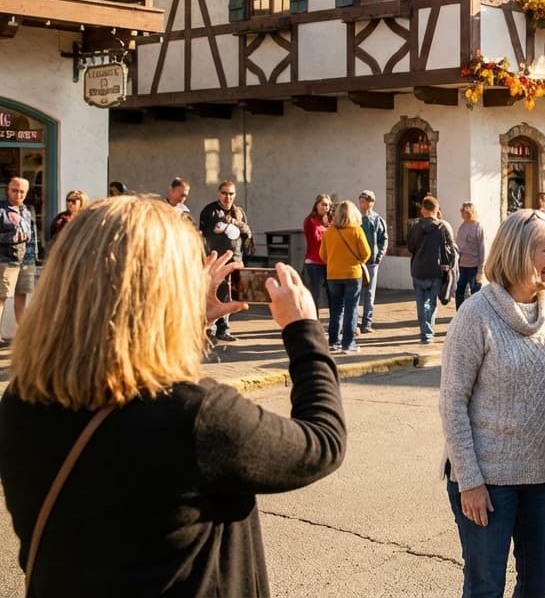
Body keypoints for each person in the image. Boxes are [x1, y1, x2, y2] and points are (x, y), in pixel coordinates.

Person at [0, 196, 345, 595]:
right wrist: (303, 330)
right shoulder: (195, 418)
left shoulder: (21, 402)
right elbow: (322, 443)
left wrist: (186, 318)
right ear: (166, 291)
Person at [439, 208, 545, 598]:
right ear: (517, 251)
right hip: (487, 480)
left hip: (544, 477)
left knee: (539, 586)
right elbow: (452, 403)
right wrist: (470, 481)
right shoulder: (475, 314)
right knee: (485, 588)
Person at [198, 180, 252, 342]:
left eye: (231, 193)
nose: (227, 197)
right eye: (224, 193)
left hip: (235, 259)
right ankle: (210, 329)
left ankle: (224, 329)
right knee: (213, 294)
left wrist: (242, 227)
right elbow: (203, 233)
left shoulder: (239, 212)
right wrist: (216, 229)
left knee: (229, 295)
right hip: (216, 260)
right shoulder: (210, 211)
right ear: (218, 193)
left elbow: (246, 234)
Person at [320, 200, 371, 353]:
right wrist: (356, 261)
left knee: (336, 309)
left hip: (333, 274)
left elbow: (322, 255)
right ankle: (348, 343)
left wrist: (334, 261)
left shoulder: (328, 232)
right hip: (352, 274)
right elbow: (366, 253)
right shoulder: (356, 230)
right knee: (351, 308)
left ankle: (333, 341)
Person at [407, 195, 455, 345]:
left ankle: (425, 333)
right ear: (436, 210)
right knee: (431, 303)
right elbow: (450, 250)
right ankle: (428, 332)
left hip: (418, 269)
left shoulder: (415, 227)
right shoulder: (442, 227)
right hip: (436, 270)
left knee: (421, 303)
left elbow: (410, 247)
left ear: (423, 210)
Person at [0, 178, 37, 342]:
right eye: (15, 190)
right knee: (1, 298)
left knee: (21, 297)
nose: (18, 194)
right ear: (8, 190)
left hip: (27, 261)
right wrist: (10, 237)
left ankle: (23, 338)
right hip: (6, 260)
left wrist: (34, 257)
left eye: (22, 191)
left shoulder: (28, 210)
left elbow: (33, 237)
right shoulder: (1, 209)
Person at [357, 190, 388, 333]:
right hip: (357, 262)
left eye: (367, 200)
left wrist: (379, 256)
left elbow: (383, 239)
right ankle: (353, 323)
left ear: (372, 202)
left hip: (372, 262)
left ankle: (367, 323)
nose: (364, 203)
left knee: (370, 294)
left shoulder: (377, 219)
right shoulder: (355, 219)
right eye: (362, 200)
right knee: (356, 293)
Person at [302, 194, 333, 317]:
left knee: (332, 294)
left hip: (329, 262)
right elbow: (317, 240)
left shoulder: (331, 220)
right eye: (323, 204)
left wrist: (329, 225)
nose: (325, 208)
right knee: (315, 294)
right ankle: (314, 321)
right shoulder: (310, 220)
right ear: (316, 205)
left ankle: (334, 323)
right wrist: (327, 228)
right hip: (314, 262)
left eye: (328, 205)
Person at [454, 201, 486, 309]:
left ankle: (476, 313)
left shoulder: (478, 227)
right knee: (459, 291)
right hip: (461, 265)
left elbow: (482, 249)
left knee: (475, 293)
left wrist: (480, 270)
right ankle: (459, 313)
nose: (461, 213)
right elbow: (458, 245)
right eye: (461, 210)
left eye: (463, 211)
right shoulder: (462, 226)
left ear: (469, 212)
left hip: (473, 266)